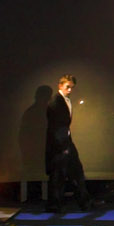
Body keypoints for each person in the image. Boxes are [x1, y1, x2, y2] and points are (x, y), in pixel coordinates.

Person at [44, 74, 91, 213]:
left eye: (71, 87)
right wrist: (63, 146)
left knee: (73, 172)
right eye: (67, 87)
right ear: (60, 86)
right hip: (59, 143)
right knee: (60, 174)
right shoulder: (55, 102)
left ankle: (83, 202)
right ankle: (57, 204)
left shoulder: (62, 101)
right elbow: (56, 127)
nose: (70, 90)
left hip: (65, 141)